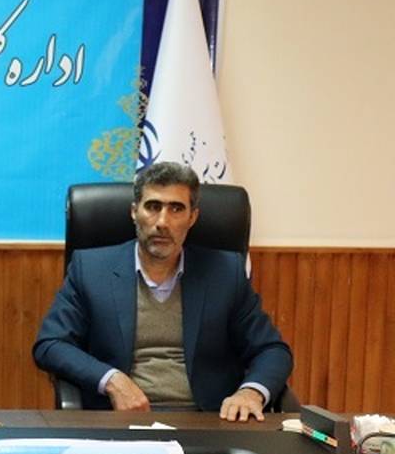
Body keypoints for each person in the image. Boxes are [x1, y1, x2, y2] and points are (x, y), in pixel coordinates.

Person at [33, 162, 292, 421]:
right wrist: (111, 380)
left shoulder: (224, 272)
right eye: (153, 206)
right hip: (121, 420)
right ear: (134, 212)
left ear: (193, 217)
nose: (162, 222)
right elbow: (51, 344)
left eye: (176, 209)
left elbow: (272, 350)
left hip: (209, 421)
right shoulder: (91, 269)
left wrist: (251, 392)